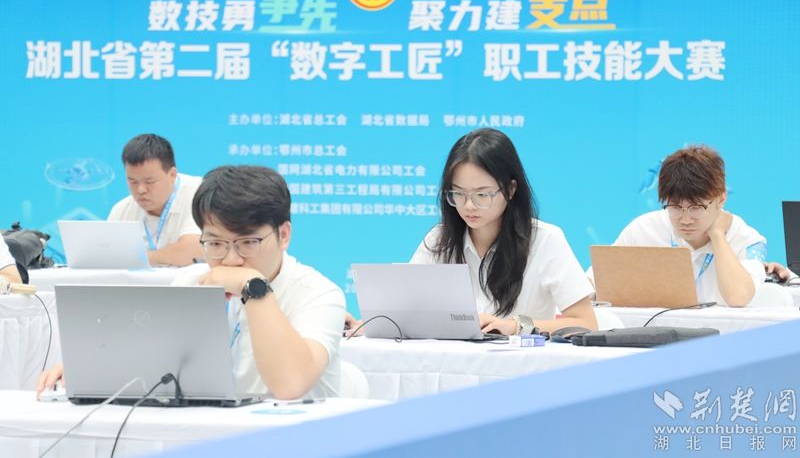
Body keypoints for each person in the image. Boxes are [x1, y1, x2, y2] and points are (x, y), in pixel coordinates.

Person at [39, 165, 346, 399]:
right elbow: (154, 361)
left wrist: (254, 287)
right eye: (215, 244)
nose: (231, 260)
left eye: (247, 243)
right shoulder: (191, 281)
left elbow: (289, 385)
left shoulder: (319, 294)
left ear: (283, 235)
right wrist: (95, 370)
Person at [348, 128, 597, 336]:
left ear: (511, 190)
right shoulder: (439, 239)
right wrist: (364, 325)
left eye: (482, 194)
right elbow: (405, 311)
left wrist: (515, 327)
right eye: (458, 193)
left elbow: (586, 323)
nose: (468, 206)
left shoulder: (545, 240)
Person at [592, 145, 766, 307]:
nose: (686, 219)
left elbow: (738, 297)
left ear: (721, 199)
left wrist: (718, 235)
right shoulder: (643, 229)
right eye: (675, 207)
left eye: (696, 208)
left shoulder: (748, 240)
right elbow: (594, 283)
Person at [108, 134, 203, 266]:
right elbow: (108, 256)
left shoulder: (199, 194)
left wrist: (135, 258)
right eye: (133, 182)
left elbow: (193, 251)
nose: (141, 190)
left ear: (172, 175)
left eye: (150, 181)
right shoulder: (121, 210)